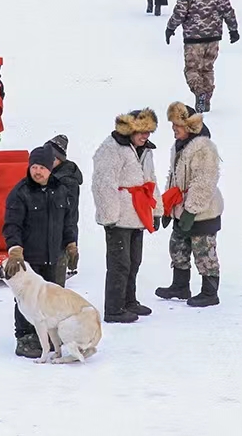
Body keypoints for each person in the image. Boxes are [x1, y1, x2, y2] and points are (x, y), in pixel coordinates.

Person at [2, 145, 78, 358]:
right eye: (34, 166)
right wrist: (15, 249)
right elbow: (12, 225)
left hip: (54, 256)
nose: (37, 171)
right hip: (28, 259)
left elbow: (69, 221)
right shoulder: (20, 193)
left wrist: (71, 243)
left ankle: (51, 336)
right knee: (26, 298)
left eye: (42, 167)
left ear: (50, 168)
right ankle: (25, 337)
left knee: (51, 299)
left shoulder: (61, 190)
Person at [91, 108, 163, 324]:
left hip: (138, 214)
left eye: (149, 133)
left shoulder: (145, 150)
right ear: (130, 130)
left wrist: (156, 210)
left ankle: (129, 301)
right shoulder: (111, 148)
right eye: (142, 132)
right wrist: (109, 216)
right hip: (119, 216)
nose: (146, 137)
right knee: (119, 263)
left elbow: (151, 181)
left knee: (134, 261)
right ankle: (113, 308)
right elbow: (103, 183)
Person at [156, 102, 224, 307]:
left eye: (178, 125)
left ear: (190, 126)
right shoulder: (178, 146)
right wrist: (168, 207)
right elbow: (174, 177)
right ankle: (180, 286)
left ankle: (210, 292)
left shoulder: (204, 149)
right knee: (177, 246)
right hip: (181, 208)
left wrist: (191, 210)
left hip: (202, 211)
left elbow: (204, 181)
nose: (174, 129)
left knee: (204, 250)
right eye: (173, 124)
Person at [165, 0, 239, 114]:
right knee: (208, 69)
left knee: (191, 69)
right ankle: (207, 100)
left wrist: (170, 28)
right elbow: (227, 10)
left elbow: (179, 13)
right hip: (213, 37)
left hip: (193, 39)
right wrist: (233, 29)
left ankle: (199, 94)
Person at [46, 134, 83, 288]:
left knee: (55, 284)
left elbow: (70, 215)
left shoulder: (67, 181)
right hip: (48, 236)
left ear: (59, 159)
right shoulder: (49, 175)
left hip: (60, 237)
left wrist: (71, 243)